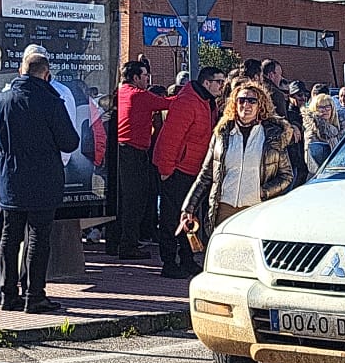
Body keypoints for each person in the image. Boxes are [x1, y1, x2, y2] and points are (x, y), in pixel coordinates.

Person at [0, 52, 81, 312]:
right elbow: (70, 142)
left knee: (9, 236)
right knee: (38, 237)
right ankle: (34, 295)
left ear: (20, 71)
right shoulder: (51, 102)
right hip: (43, 179)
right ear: (46, 74)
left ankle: (7, 294)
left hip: (10, 178)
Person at [180, 79, 296, 245]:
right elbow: (206, 175)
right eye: (241, 100)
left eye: (252, 101)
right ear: (234, 104)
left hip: (255, 208)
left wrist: (263, 192)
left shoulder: (273, 137)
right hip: (223, 207)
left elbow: (286, 175)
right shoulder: (221, 134)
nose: (246, 105)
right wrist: (188, 207)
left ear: (260, 106)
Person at [152, 66, 225, 279]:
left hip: (193, 169)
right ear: (206, 83)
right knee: (171, 217)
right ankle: (169, 262)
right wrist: (166, 170)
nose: (222, 86)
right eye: (218, 81)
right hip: (177, 169)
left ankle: (186, 258)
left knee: (190, 217)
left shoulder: (207, 102)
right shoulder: (188, 102)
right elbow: (170, 138)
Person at [109, 60, 170, 259]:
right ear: (135, 78)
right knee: (134, 200)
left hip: (120, 151)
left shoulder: (121, 92)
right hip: (133, 153)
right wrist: (188, 94)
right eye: (145, 77)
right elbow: (168, 103)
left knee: (120, 199)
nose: (147, 80)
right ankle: (129, 245)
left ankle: (114, 242)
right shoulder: (139, 95)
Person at [303, 91, 345, 169]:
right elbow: (310, 161)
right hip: (321, 175)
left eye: (327, 107)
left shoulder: (341, 128)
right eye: (320, 107)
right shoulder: (312, 130)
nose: (324, 110)